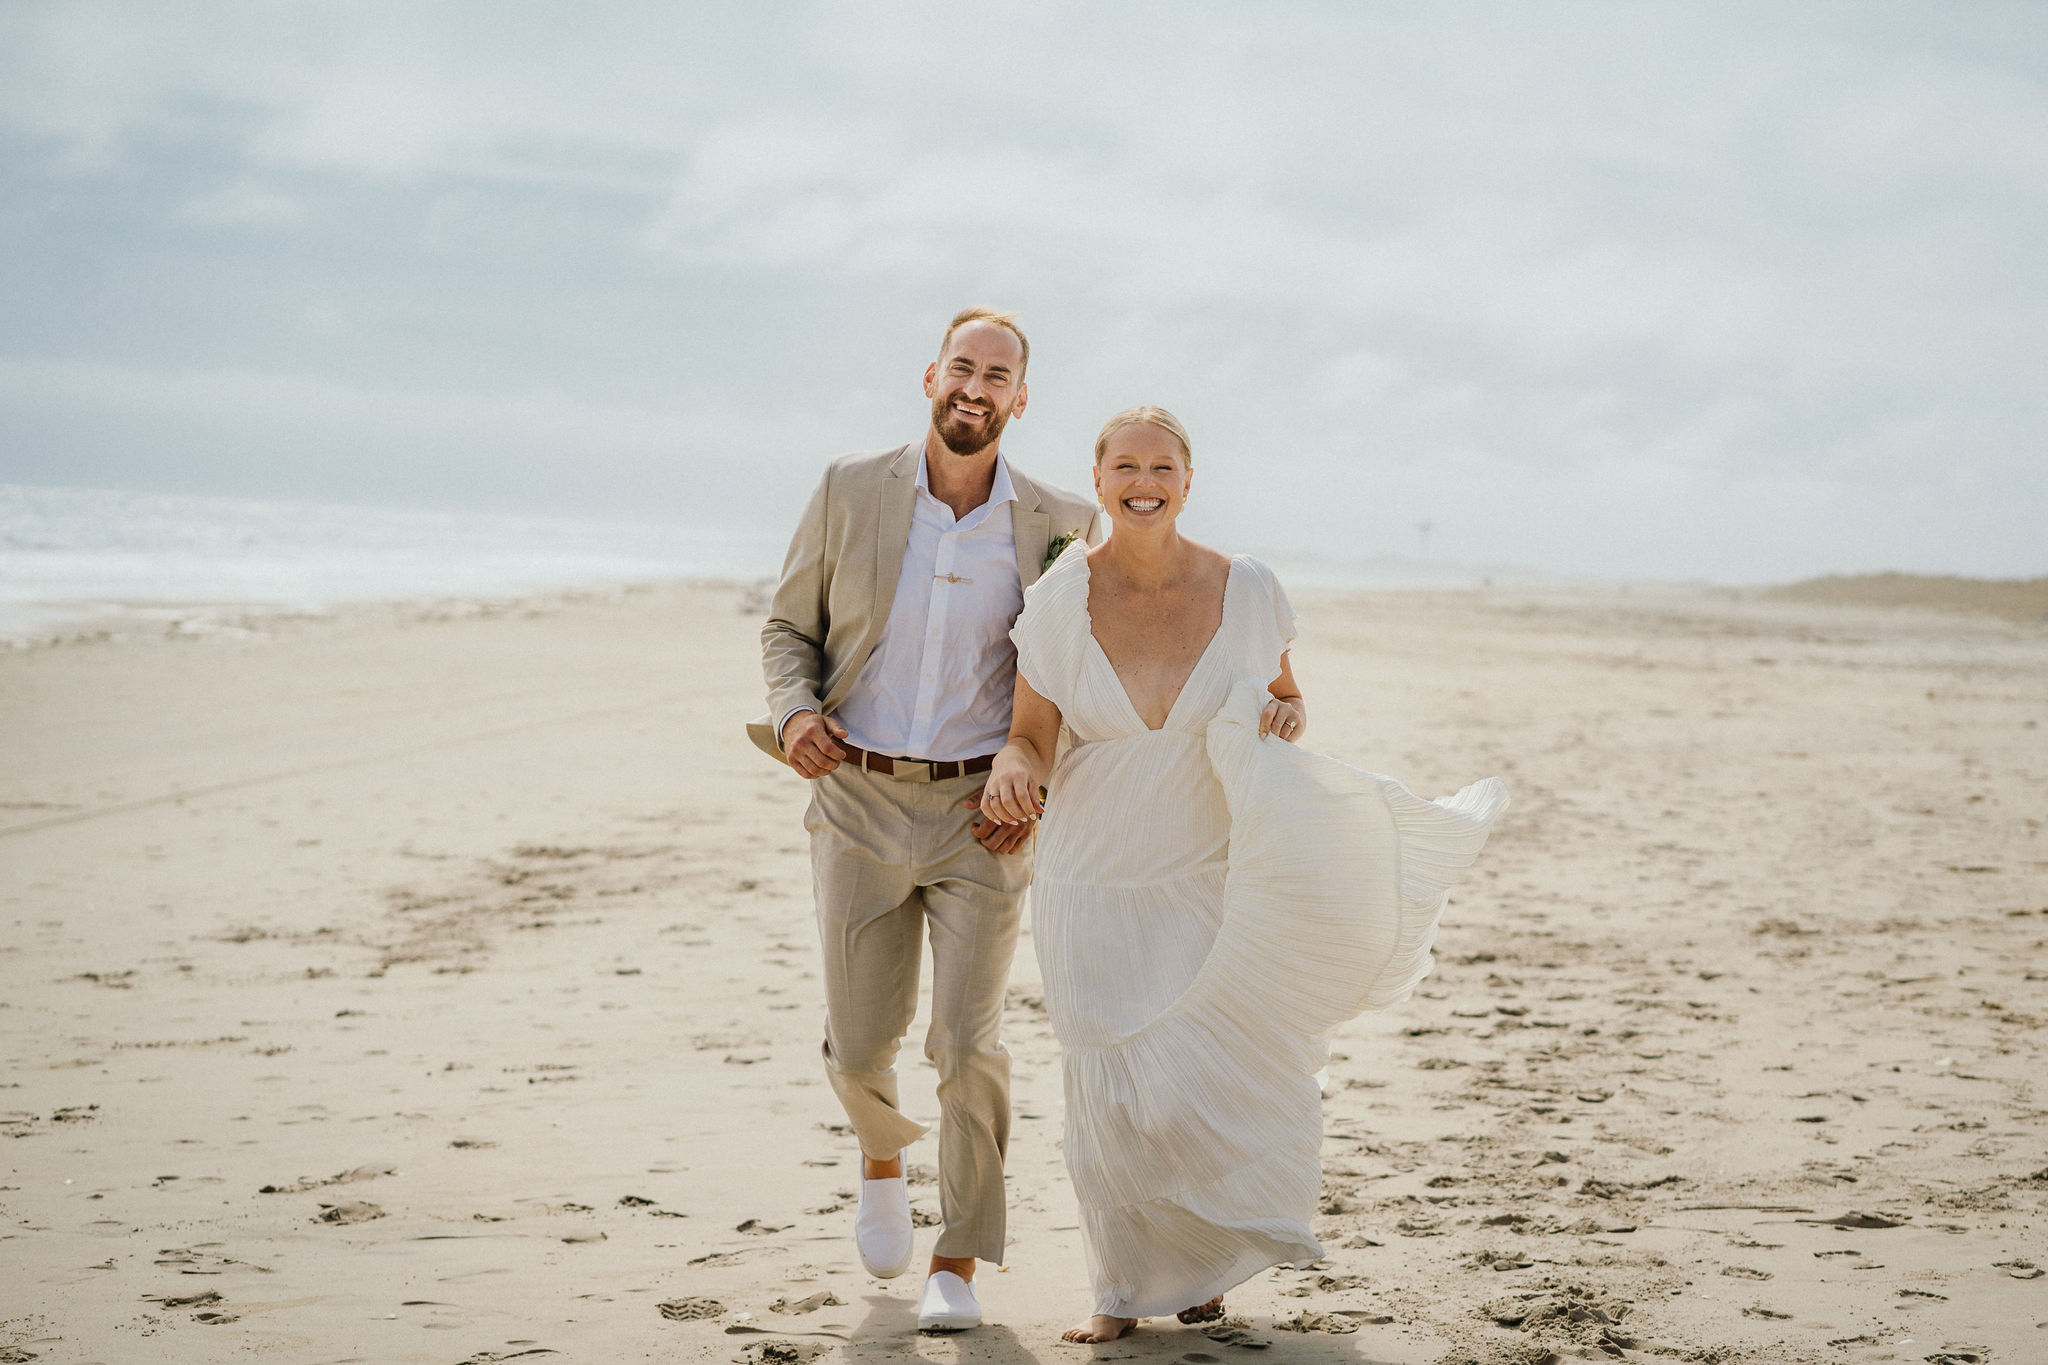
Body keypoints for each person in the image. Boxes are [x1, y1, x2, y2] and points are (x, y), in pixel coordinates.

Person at [978, 406, 1509, 1342]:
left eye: (1165, 465)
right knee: (1109, 1080)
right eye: (1127, 466)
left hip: (1207, 860)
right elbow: (1031, 734)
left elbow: (1289, 697)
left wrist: (1284, 722)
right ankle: (1118, 1288)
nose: (1145, 481)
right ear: (1098, 480)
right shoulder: (1059, 596)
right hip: (1092, 871)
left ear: (1189, 478)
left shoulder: (1248, 588)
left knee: (1201, 1078)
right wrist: (1016, 768)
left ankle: (1199, 1260)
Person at [750, 308, 1101, 1333]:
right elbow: (786, 625)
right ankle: (879, 1155)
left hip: (978, 816)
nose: (975, 388)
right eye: (962, 367)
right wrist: (795, 709)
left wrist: (1028, 773)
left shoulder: (1060, 525)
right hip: (854, 795)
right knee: (860, 1047)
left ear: (1020, 399)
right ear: (929, 377)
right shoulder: (847, 488)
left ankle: (957, 1256)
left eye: (998, 375)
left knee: (966, 1040)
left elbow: (1075, 676)